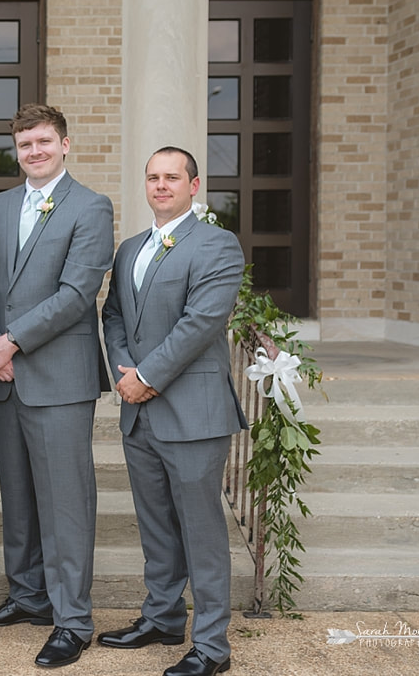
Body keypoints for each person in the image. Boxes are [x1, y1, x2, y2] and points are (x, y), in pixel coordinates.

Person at [0, 104, 114, 668]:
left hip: (58, 378)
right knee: (19, 497)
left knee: (66, 502)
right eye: (25, 144)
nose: (35, 151)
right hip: (3, 376)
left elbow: (78, 293)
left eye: (44, 142)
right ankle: (28, 597)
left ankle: (72, 618)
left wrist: (13, 341)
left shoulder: (90, 207)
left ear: (65, 145)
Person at [100, 146, 245, 676]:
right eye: (153, 177)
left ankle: (211, 646)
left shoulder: (217, 244)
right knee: (156, 525)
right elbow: (113, 315)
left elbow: (201, 322)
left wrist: (147, 376)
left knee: (201, 530)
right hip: (138, 411)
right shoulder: (130, 248)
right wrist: (124, 372)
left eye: (172, 177)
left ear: (194, 184)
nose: (161, 185)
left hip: (193, 412)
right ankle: (162, 617)